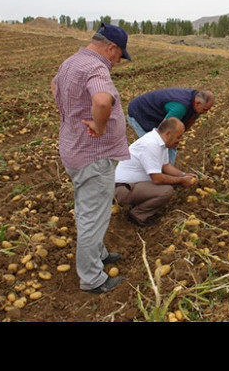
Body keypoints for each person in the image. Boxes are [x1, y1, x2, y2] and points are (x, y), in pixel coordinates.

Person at [51, 23, 131, 294]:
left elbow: (54, 87)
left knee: (88, 209)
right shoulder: (96, 68)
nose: (118, 62)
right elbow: (101, 101)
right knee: (92, 216)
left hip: (74, 148)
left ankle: (98, 253)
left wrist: (73, 115)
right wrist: (98, 125)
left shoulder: (71, 62)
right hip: (92, 156)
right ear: (111, 48)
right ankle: (92, 278)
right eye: (120, 55)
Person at [114, 117, 199, 227]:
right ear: (168, 134)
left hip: (134, 185)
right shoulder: (151, 144)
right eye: (178, 136)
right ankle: (137, 215)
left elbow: (165, 166)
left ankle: (139, 205)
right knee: (166, 190)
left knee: (170, 182)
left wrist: (184, 175)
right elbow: (157, 179)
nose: (180, 140)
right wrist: (181, 181)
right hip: (122, 188)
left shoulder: (161, 143)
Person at [126, 88, 215, 165]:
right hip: (140, 113)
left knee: (171, 144)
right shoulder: (180, 107)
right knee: (155, 146)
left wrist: (175, 140)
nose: (205, 113)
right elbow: (163, 131)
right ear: (198, 103)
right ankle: (149, 175)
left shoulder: (197, 107)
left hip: (156, 117)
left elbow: (185, 126)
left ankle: (167, 173)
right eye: (205, 109)